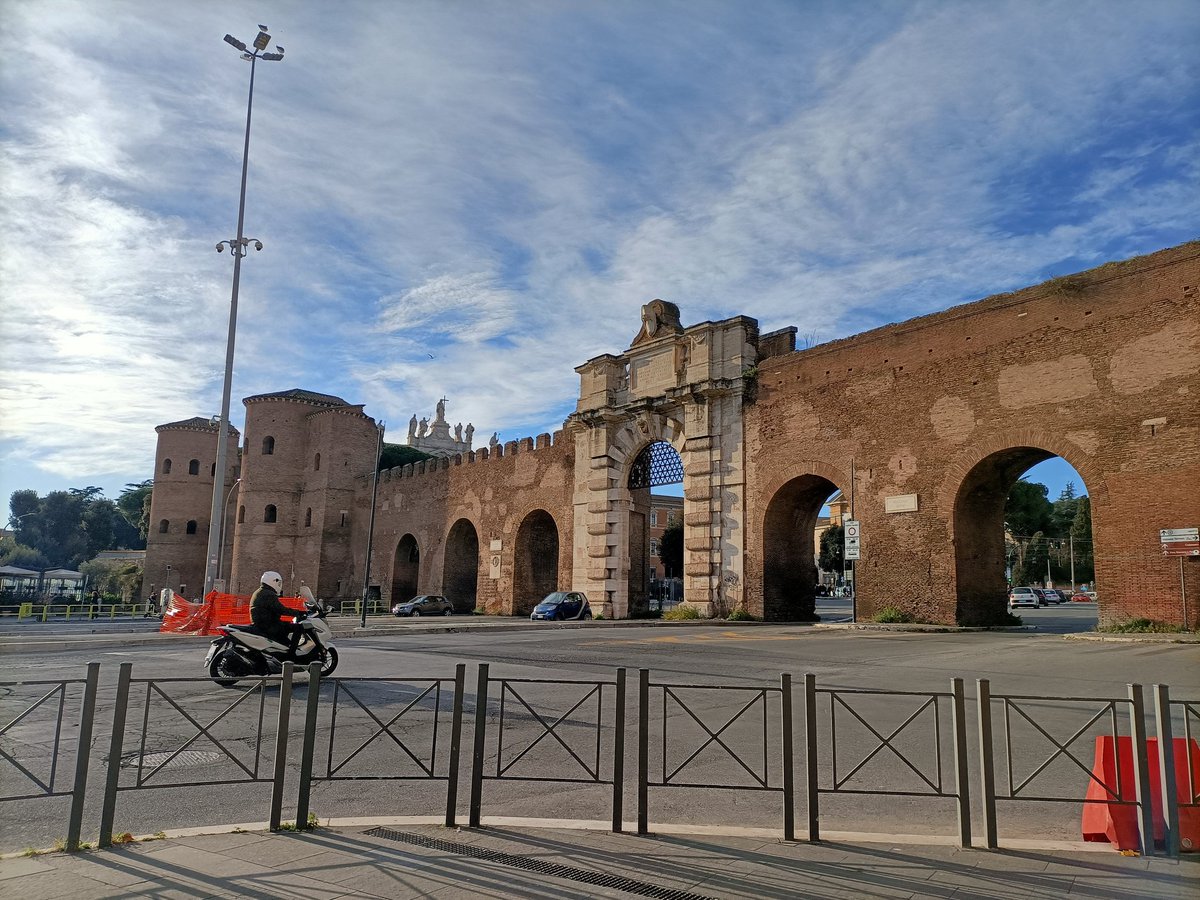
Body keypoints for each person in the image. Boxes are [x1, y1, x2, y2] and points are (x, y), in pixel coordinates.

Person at [250, 571, 302, 657]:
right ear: (273, 581)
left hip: (262, 623)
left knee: (285, 630)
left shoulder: (260, 591)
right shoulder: (269, 594)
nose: (279, 585)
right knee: (298, 627)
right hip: (268, 625)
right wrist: (297, 612)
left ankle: (283, 648)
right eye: (279, 583)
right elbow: (280, 609)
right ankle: (291, 654)